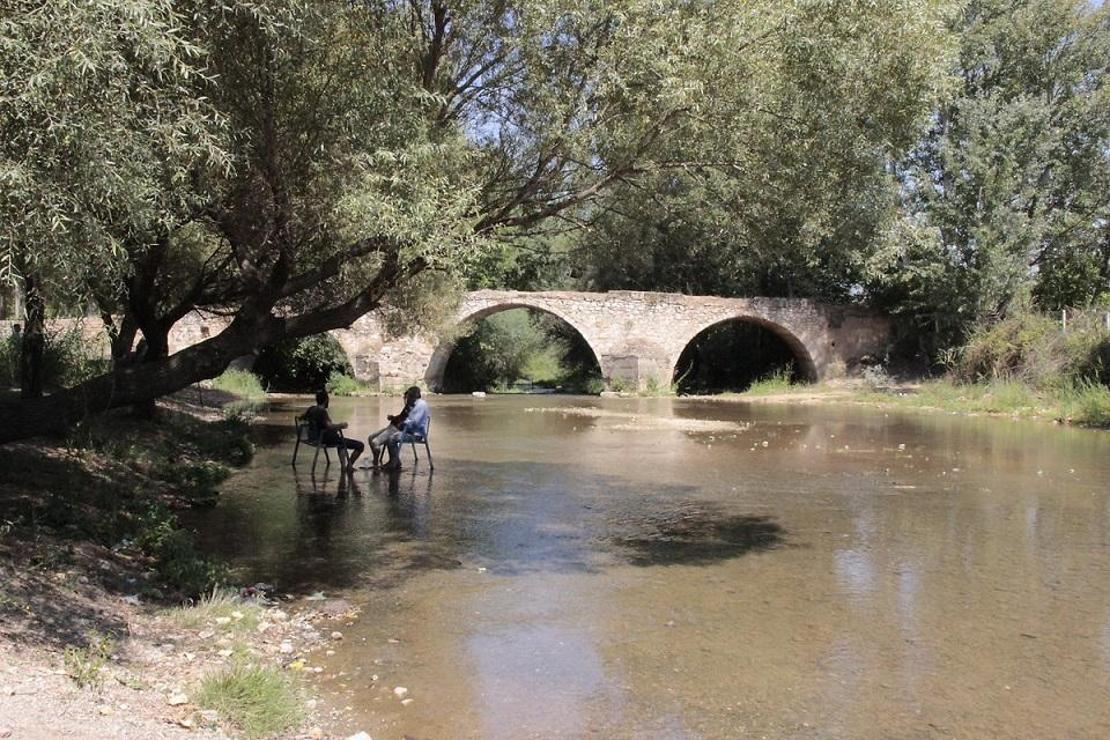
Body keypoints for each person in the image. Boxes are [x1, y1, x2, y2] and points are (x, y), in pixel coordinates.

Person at [302, 389, 364, 470]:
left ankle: (343, 467)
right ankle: (349, 466)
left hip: (314, 437)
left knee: (340, 441)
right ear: (326, 400)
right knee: (360, 445)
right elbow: (329, 426)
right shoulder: (322, 411)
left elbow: (301, 417)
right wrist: (340, 425)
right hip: (325, 439)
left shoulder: (311, 409)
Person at [371, 386, 429, 471]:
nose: (406, 398)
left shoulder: (420, 405)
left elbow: (415, 422)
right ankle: (394, 461)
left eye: (408, 396)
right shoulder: (414, 405)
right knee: (390, 436)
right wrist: (399, 421)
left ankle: (394, 463)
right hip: (409, 431)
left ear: (413, 396)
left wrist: (403, 423)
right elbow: (407, 418)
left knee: (391, 438)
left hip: (416, 434)